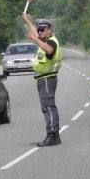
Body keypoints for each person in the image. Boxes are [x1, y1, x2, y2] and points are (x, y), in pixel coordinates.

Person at [22, 14, 61, 146]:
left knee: (48, 107)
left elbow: (49, 50)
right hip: (44, 79)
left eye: (41, 30)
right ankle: (55, 135)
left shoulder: (51, 41)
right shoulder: (44, 39)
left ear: (48, 30)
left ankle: (52, 135)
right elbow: (34, 32)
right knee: (48, 106)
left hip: (47, 79)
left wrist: (35, 39)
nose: (39, 32)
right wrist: (28, 21)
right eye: (38, 30)